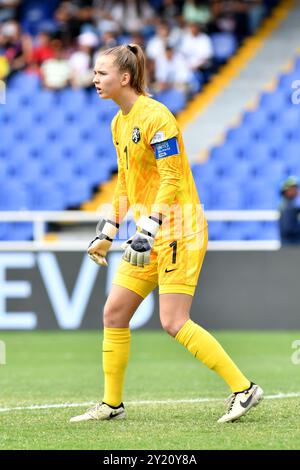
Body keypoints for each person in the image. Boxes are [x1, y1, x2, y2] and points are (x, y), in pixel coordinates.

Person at [70, 43, 263, 424]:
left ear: (124, 78)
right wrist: (109, 231)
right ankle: (112, 405)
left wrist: (150, 226)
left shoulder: (157, 117)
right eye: (94, 72)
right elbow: (126, 183)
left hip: (179, 229)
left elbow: (172, 178)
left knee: (174, 321)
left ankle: (244, 389)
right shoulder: (118, 123)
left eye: (101, 73)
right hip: (147, 232)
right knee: (114, 313)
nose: (94, 79)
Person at [279, 176, 300, 245]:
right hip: (290, 246)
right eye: (293, 188)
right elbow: (288, 228)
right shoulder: (287, 207)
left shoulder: (289, 205)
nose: (296, 191)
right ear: (286, 191)